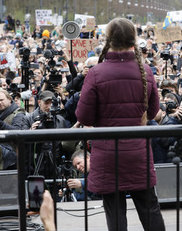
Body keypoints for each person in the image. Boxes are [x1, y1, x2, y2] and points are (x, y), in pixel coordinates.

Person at [76, 18, 165, 231]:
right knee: (149, 208)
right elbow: (153, 112)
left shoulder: (96, 73)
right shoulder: (146, 71)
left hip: (108, 153)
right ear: (133, 39)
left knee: (115, 214)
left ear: (109, 40)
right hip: (138, 153)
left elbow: (84, 117)